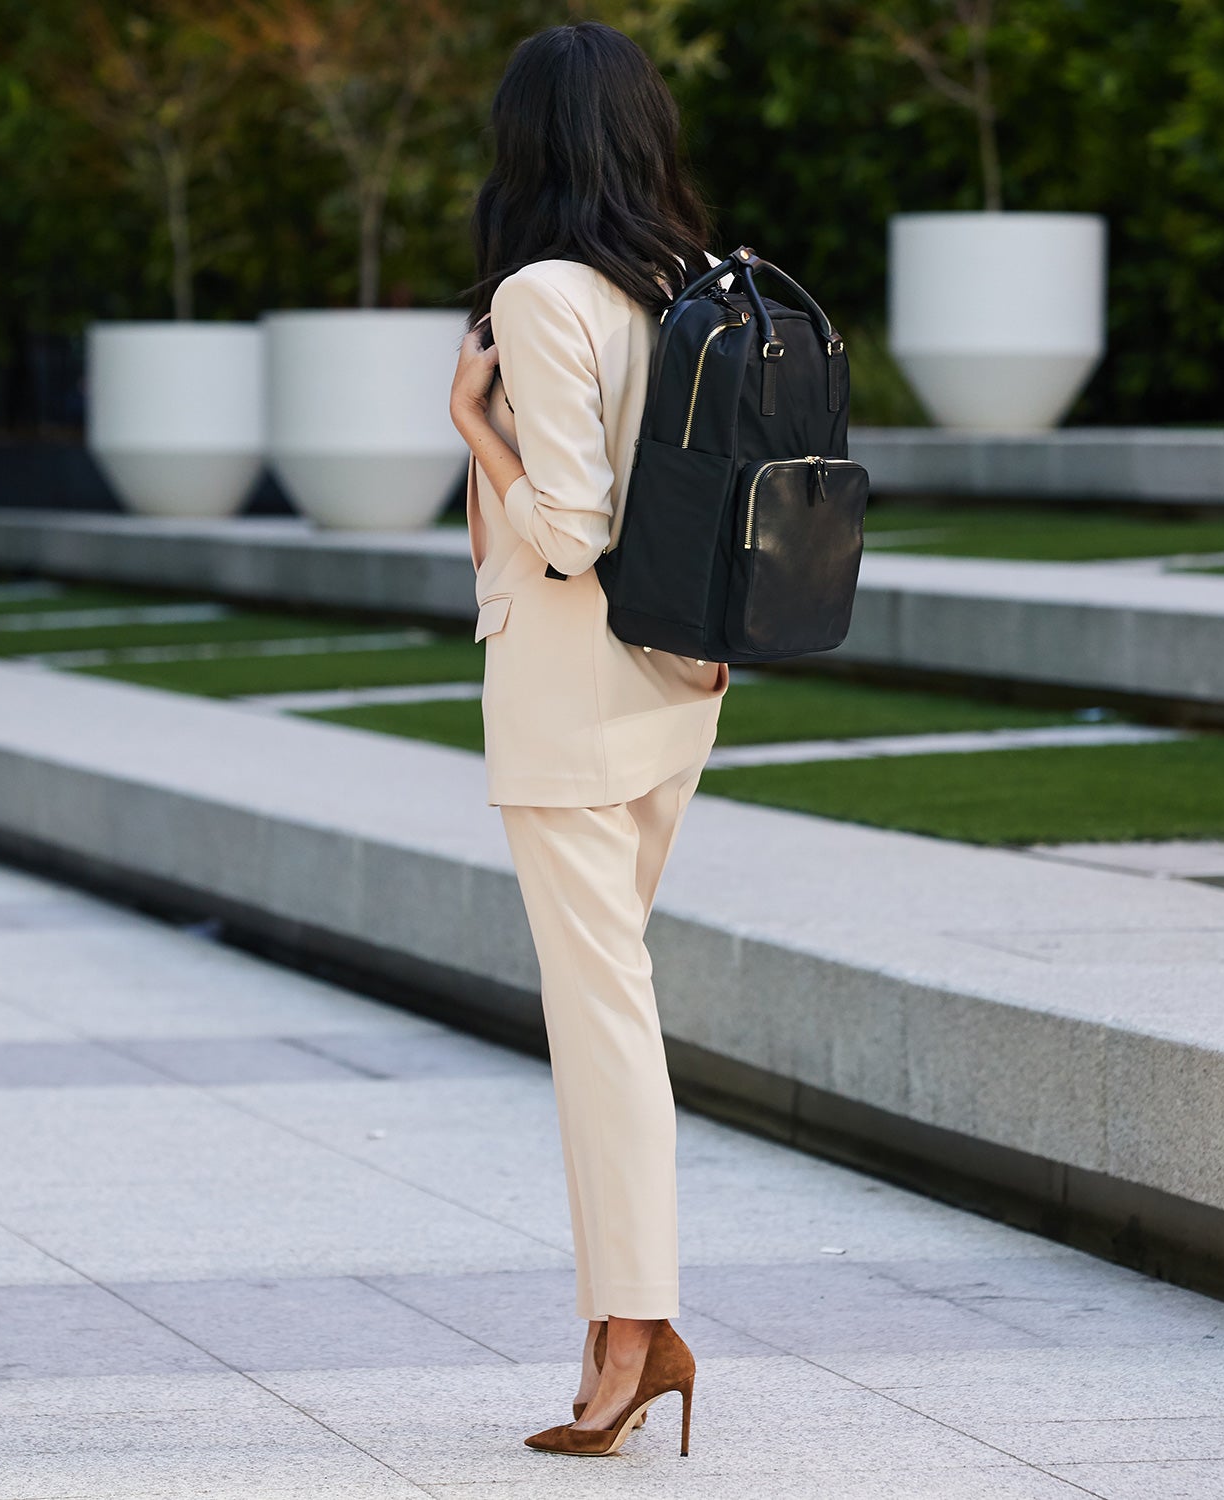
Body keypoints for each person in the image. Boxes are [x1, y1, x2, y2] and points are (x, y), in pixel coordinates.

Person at [448, 20, 729, 1459]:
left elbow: (565, 530)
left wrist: (469, 422)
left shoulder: (543, 296)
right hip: (679, 685)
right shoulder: (675, 286)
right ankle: (620, 1324)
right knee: (611, 1008)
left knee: (602, 1023)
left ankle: (637, 1328)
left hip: (572, 692)